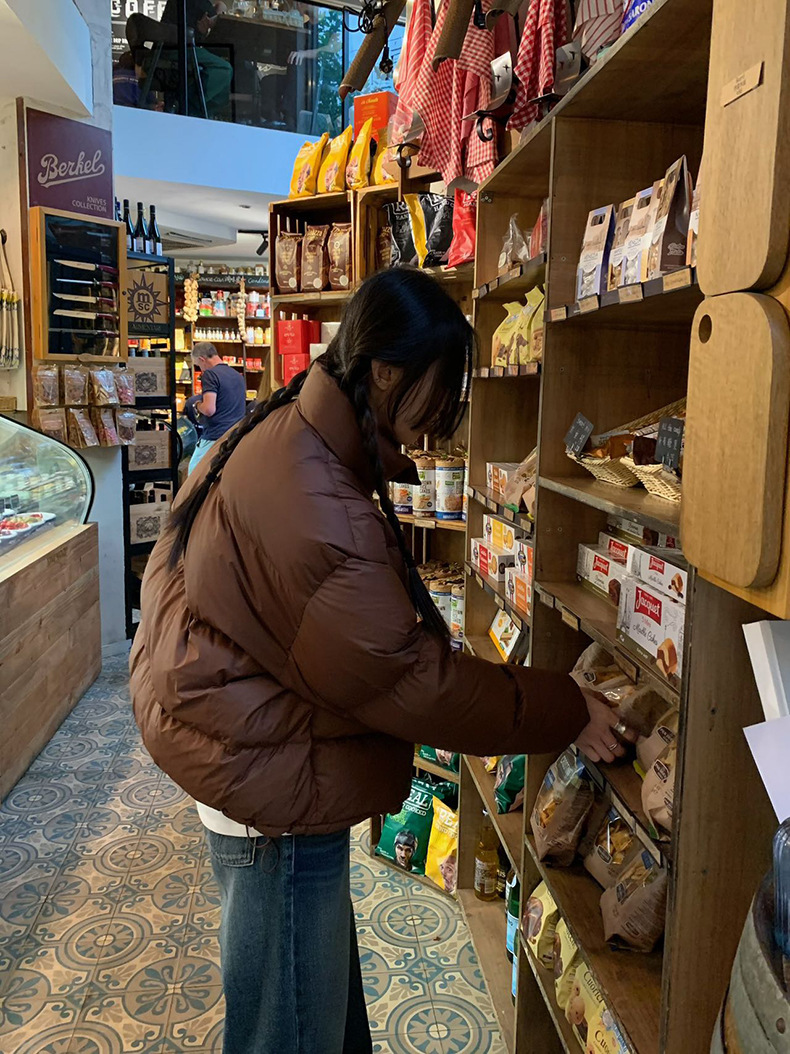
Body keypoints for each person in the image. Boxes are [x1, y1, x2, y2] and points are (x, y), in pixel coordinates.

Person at [130, 268, 635, 1054]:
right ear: (388, 372)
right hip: (272, 790)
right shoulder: (316, 502)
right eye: (441, 388)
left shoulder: (291, 432)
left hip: (255, 755)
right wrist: (566, 707)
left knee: (313, 1020)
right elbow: (415, 684)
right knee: (288, 1033)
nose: (442, 417)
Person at [161, 0, 232, 117]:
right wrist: (218, 12)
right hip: (176, 51)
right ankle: (187, 106)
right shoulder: (198, 4)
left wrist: (218, 10)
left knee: (222, 86)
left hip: (171, 50)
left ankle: (192, 109)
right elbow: (213, 17)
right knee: (225, 70)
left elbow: (215, 10)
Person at [187, 341, 246, 474]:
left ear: (202, 359)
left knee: (194, 473)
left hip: (215, 436)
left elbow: (209, 409)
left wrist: (197, 404)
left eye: (198, 365)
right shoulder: (237, 375)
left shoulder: (210, 374)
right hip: (236, 435)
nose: (201, 369)